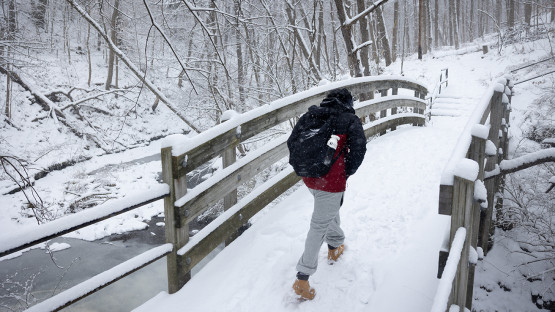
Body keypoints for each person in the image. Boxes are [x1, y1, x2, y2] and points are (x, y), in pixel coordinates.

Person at [291, 88, 367, 300]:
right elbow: (359, 150)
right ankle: (302, 278)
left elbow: (292, 143)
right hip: (331, 182)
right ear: (348, 102)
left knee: (327, 211)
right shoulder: (349, 119)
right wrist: (345, 172)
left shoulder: (310, 115)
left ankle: (334, 244)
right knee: (319, 225)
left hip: (309, 177)